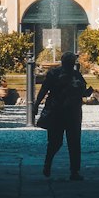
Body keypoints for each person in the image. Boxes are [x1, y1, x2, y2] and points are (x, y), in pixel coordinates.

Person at [34, 51, 91, 180]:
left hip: (62, 111)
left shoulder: (58, 74)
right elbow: (82, 91)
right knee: (71, 142)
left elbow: (44, 90)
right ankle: (71, 170)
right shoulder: (72, 75)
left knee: (59, 142)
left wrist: (37, 105)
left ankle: (54, 165)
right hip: (66, 112)